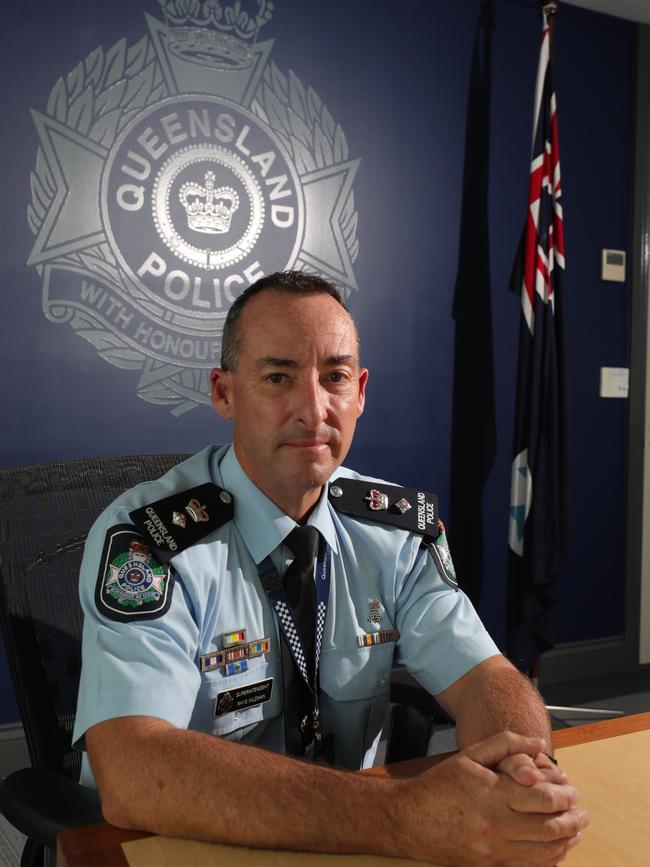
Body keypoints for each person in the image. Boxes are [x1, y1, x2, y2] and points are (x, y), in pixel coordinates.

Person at [73, 271, 588, 865]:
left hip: (353, 843)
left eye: (335, 377)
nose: (313, 410)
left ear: (360, 392)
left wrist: (523, 769)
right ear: (224, 393)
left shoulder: (394, 529)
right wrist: (405, 816)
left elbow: (484, 677)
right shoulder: (149, 541)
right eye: (277, 377)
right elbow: (134, 769)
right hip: (193, 840)